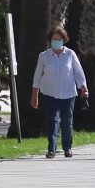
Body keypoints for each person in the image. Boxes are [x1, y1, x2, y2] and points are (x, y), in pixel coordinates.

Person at [31, 26, 88, 159]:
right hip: (50, 93)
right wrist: (34, 95)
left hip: (68, 94)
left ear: (64, 40)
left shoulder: (70, 54)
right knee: (52, 120)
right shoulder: (44, 56)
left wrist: (83, 87)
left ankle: (67, 148)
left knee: (67, 122)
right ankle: (52, 149)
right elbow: (37, 77)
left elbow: (78, 73)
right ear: (50, 40)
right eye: (54, 39)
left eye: (59, 39)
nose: (56, 42)